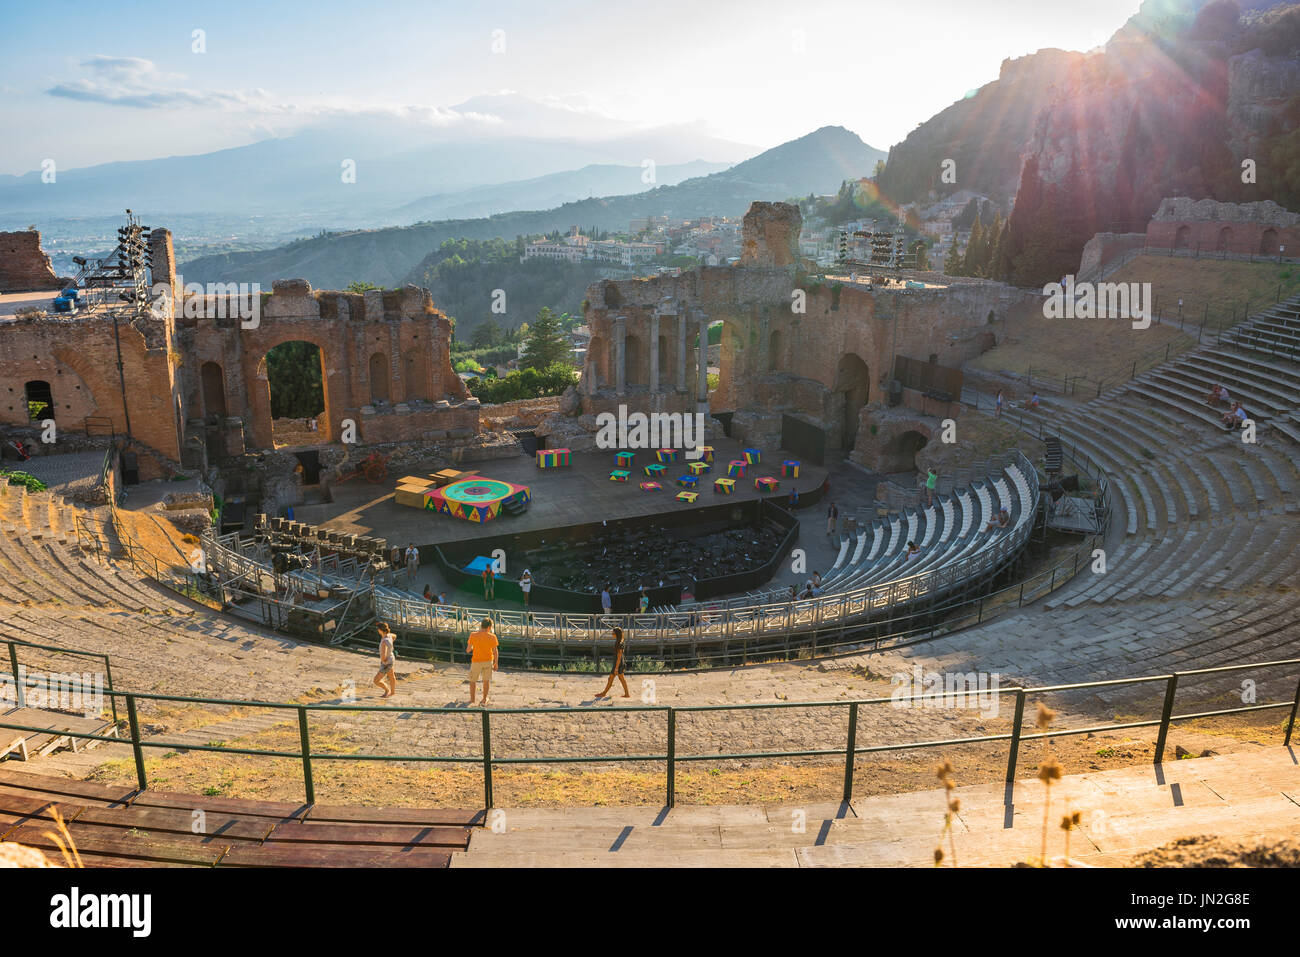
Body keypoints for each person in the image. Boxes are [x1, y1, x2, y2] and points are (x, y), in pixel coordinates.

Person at [467, 618, 498, 706]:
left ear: (481, 625)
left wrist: (474, 647)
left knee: (473, 681)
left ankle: (472, 700)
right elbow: (495, 651)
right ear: (489, 627)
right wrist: (496, 663)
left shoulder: (473, 635)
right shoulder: (492, 636)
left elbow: (468, 650)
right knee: (486, 681)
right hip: (488, 661)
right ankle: (484, 699)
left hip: (476, 661)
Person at [595, 627, 631, 700]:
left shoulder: (619, 643)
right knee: (617, 679)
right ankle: (626, 694)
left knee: (613, 678)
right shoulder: (620, 640)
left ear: (617, 634)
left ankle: (604, 693)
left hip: (618, 663)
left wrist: (616, 668)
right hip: (620, 662)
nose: (612, 634)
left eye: (613, 633)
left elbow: (619, 656)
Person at [372, 623, 397, 698]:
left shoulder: (384, 642)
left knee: (376, 680)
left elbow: (383, 656)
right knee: (391, 676)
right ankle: (392, 692)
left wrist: (383, 661)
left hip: (387, 663)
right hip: (391, 658)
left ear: (380, 630)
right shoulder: (389, 635)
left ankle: (387, 690)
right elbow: (395, 636)